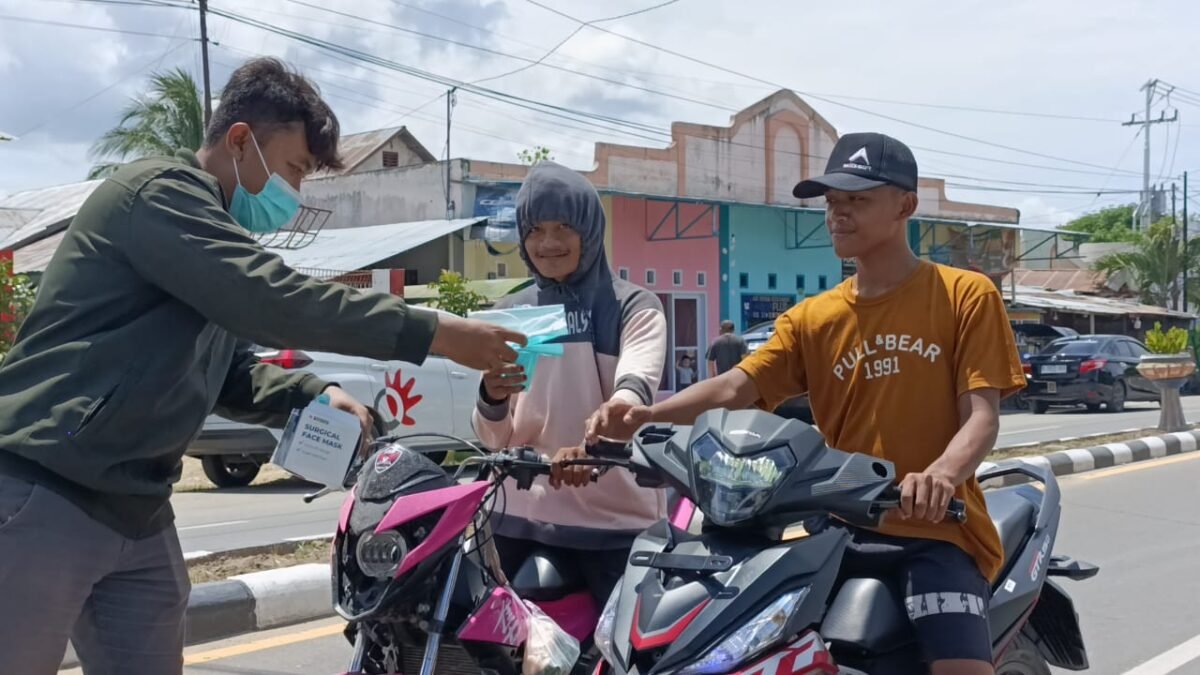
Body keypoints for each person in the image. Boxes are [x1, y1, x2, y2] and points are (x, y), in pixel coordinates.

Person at [0, 57, 524, 675]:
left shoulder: (213, 240)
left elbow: (226, 372)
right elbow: (273, 299)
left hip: (137, 509)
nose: (295, 194)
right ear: (241, 140)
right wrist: (434, 331)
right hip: (49, 484)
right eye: (295, 168)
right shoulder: (160, 195)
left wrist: (310, 393)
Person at [585, 133, 1025, 675]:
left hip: (934, 529)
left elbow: (981, 416)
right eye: (832, 202)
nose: (838, 214)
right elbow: (735, 388)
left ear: (905, 206)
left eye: (857, 200)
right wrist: (647, 415)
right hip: (834, 528)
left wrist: (939, 475)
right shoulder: (813, 318)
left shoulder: (965, 295)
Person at [473, 160, 667, 607]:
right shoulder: (513, 311)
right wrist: (493, 396)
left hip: (615, 523)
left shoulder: (633, 306)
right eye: (535, 229)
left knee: (632, 654)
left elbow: (632, 395)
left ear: (591, 231)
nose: (549, 243)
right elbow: (494, 436)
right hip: (516, 517)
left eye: (564, 227)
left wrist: (592, 445)